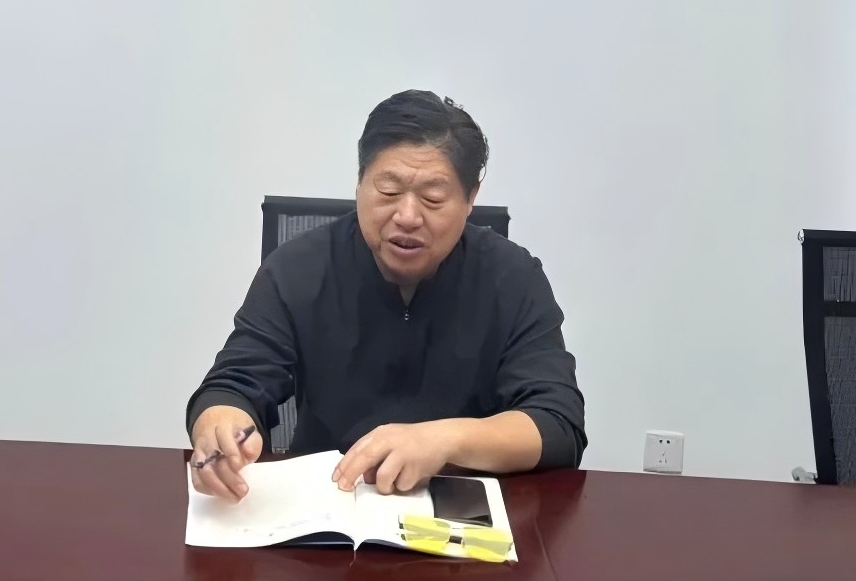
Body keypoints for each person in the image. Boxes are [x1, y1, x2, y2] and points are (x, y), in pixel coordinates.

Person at [186, 90, 585, 500]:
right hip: (331, 505)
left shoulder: (512, 278)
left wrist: (444, 439)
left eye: (432, 198)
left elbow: (557, 423)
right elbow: (235, 384)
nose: (407, 217)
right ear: (360, 182)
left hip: (460, 512)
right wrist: (219, 426)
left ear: (470, 199)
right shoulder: (297, 270)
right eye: (389, 191)